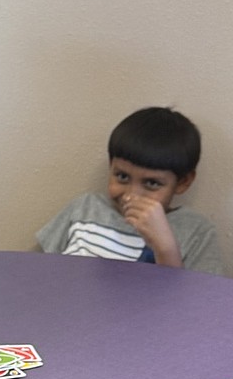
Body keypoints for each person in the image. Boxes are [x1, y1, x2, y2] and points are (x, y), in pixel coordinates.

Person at [36, 106, 223, 273]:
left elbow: (198, 303)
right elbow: (44, 269)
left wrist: (165, 248)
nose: (131, 195)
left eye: (152, 183)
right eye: (122, 177)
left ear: (183, 182)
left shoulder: (196, 230)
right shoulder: (85, 206)